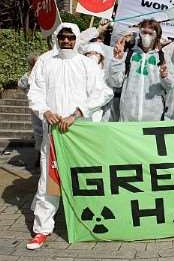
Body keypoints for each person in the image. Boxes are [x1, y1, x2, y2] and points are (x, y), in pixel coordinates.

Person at [26, 23, 113, 250]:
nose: (66, 41)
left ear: (76, 39)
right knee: (49, 183)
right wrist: (45, 110)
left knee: (83, 179)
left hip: (79, 136)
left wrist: (77, 113)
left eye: (70, 37)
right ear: (57, 38)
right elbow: (35, 91)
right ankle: (42, 230)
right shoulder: (45, 61)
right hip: (53, 134)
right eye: (62, 37)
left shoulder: (86, 64)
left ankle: (91, 223)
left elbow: (103, 92)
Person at [109, 19, 167, 121]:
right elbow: (116, 82)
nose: (146, 36)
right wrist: (117, 60)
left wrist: (165, 77)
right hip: (128, 117)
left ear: (157, 36)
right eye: (144, 32)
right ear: (139, 33)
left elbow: (169, 88)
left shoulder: (162, 58)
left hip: (153, 119)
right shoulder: (129, 55)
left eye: (151, 33)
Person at [79, 42, 114, 122]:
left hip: (95, 115)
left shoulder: (104, 74)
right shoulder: (79, 72)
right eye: (89, 53)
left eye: (96, 53)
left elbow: (107, 93)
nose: (93, 56)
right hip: (78, 114)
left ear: (101, 57)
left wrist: (88, 107)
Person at [18, 55, 43, 167]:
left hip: (48, 106)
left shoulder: (45, 72)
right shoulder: (29, 75)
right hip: (36, 108)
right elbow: (21, 85)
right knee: (38, 132)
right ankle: (39, 157)